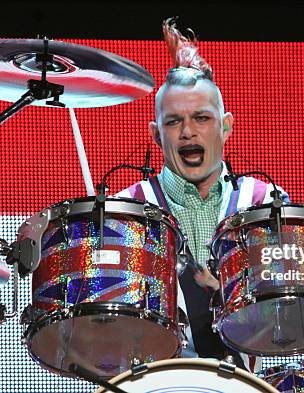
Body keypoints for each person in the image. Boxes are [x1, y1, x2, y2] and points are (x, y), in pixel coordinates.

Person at [116, 18, 288, 371]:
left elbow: (294, 318)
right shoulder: (126, 210)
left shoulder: (266, 204)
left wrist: (233, 299)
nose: (188, 132)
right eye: (173, 121)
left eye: (201, 118)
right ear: (155, 134)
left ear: (226, 127)